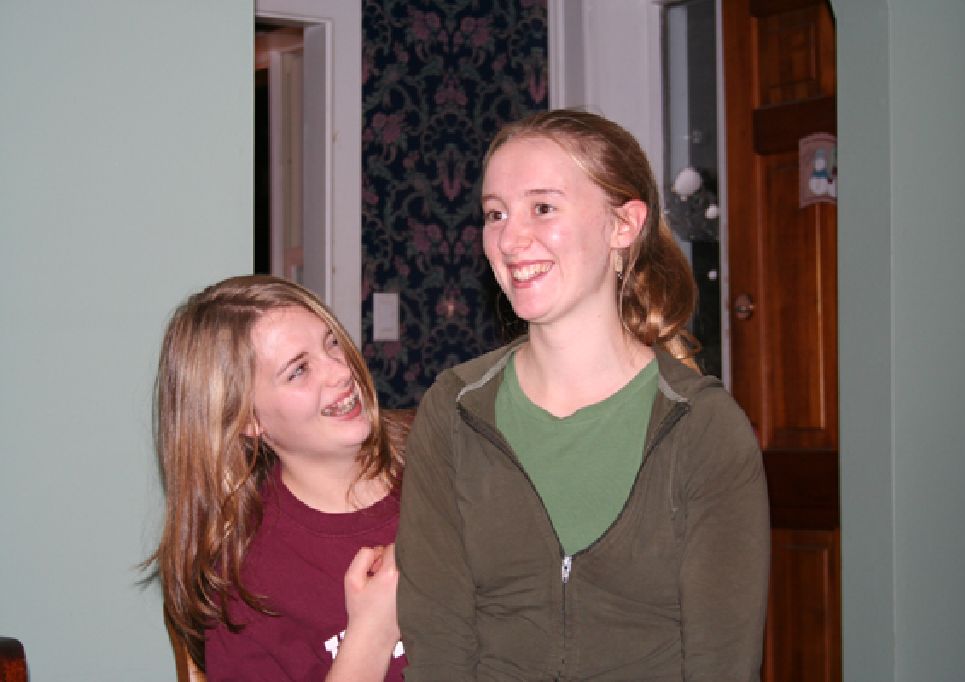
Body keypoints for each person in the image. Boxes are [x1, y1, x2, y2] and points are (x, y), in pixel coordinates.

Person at [396, 109, 770, 681]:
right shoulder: (454, 411)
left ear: (624, 225)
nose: (510, 239)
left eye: (543, 208)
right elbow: (438, 648)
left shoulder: (703, 426)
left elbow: (723, 663)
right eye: (495, 214)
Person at [148, 275, 406, 681]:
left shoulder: (446, 460)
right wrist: (372, 633)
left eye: (332, 343)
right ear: (247, 419)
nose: (341, 371)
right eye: (298, 370)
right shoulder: (245, 585)